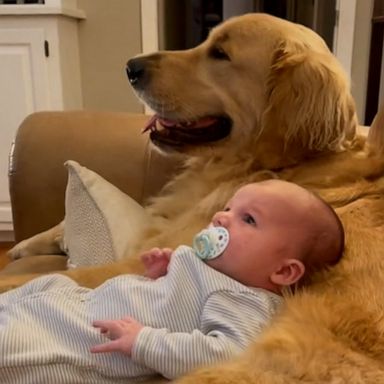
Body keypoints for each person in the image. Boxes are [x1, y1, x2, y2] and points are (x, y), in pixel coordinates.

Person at [0, 180, 344, 383]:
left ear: (283, 272)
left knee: (14, 345)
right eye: (229, 206)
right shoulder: (213, 270)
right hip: (77, 306)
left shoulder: (244, 298)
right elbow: (174, 303)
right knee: (44, 290)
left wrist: (144, 341)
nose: (222, 216)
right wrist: (163, 277)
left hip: (78, 343)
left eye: (248, 219)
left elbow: (224, 354)